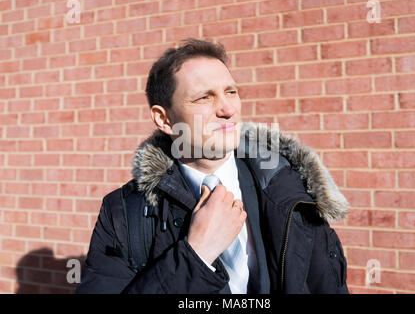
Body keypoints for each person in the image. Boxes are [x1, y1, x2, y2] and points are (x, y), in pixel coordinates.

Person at [75, 38, 350, 294]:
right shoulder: (124, 212)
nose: (228, 109)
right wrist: (195, 256)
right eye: (204, 97)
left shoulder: (292, 188)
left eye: (231, 92)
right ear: (164, 119)